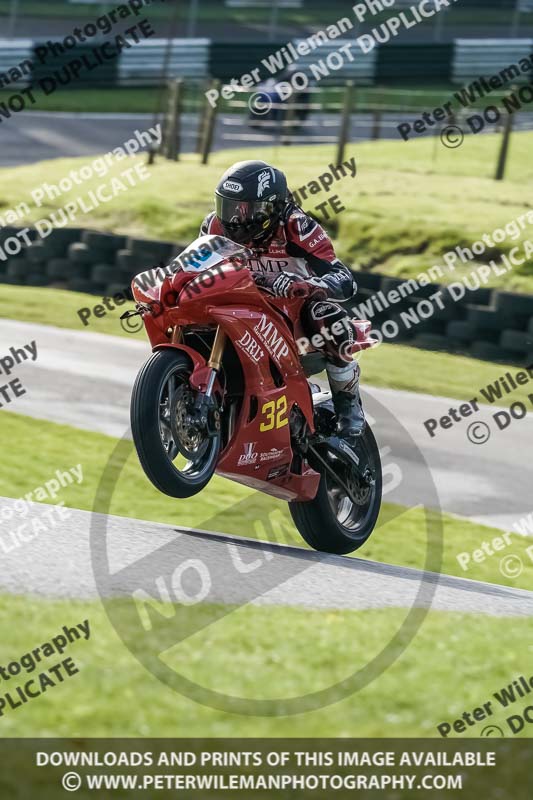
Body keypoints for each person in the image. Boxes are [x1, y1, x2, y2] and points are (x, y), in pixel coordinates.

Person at [199, 159, 366, 443]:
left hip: (293, 315)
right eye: (227, 206)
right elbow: (194, 269)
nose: (234, 220)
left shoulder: (296, 226)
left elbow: (345, 279)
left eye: (245, 210)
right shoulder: (214, 225)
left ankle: (348, 406)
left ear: (271, 208)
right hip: (240, 306)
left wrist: (307, 285)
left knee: (329, 318)